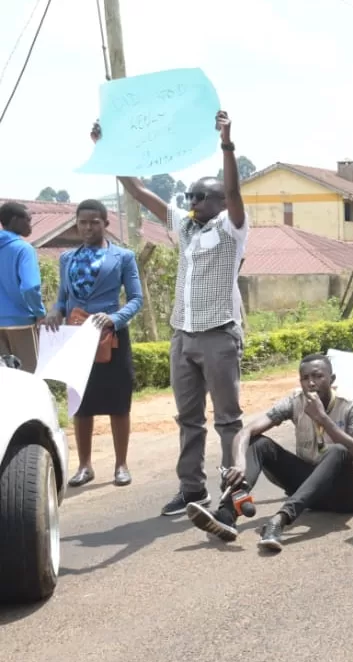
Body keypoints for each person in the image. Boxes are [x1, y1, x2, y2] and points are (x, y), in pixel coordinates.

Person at [95, 112, 250, 517]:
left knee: (228, 419)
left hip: (219, 335)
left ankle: (233, 492)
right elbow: (138, 189)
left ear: (220, 203)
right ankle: (192, 490)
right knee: (188, 418)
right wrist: (107, 149)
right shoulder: (184, 227)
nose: (193, 202)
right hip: (183, 336)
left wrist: (227, 144)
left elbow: (234, 191)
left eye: (202, 197)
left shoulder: (232, 229)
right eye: (191, 197)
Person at [186, 354, 353, 551]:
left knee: (338, 451)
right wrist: (239, 464)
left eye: (318, 377)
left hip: (344, 494)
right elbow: (246, 432)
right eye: (305, 378)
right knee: (259, 443)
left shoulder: (351, 406)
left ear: (331, 380)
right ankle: (227, 515)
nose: (311, 383)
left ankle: (280, 519)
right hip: (308, 487)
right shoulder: (295, 401)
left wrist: (323, 418)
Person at [45, 200, 144, 488]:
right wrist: (55, 311)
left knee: (118, 402)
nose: (88, 227)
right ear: (77, 223)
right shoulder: (67, 258)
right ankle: (84, 465)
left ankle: (121, 465)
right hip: (76, 334)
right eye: (83, 222)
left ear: (106, 223)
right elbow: (63, 298)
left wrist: (115, 317)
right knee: (80, 402)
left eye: (94, 222)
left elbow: (136, 298)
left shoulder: (123, 257)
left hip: (110, 335)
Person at [0, 201, 44, 373]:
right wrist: (39, 313)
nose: (30, 225)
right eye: (28, 220)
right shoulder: (23, 249)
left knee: (4, 381)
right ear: (15, 220)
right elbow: (30, 287)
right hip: (21, 323)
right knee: (30, 377)